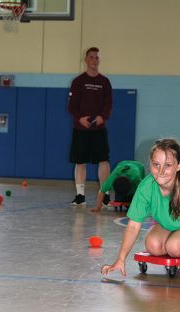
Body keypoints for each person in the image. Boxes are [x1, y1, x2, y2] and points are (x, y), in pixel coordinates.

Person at [101, 138, 180, 288]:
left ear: (179, 165)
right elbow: (133, 225)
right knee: (152, 245)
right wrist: (120, 259)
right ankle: (178, 237)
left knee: (174, 247)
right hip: (169, 220)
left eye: (167, 165)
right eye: (156, 165)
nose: (160, 171)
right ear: (150, 163)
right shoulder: (146, 187)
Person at [68, 46, 113, 206]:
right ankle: (80, 196)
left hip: (99, 130)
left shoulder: (105, 82)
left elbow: (108, 105)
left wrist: (102, 117)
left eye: (96, 57)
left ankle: (105, 194)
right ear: (86, 60)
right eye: (91, 57)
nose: (94, 60)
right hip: (80, 130)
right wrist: (80, 119)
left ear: (99, 60)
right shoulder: (78, 82)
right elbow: (71, 106)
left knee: (104, 161)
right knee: (80, 162)